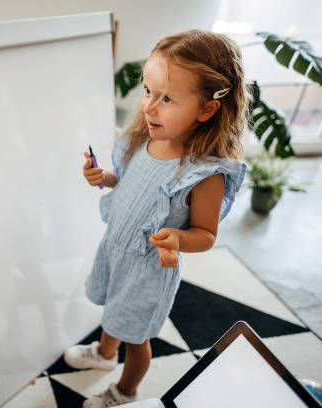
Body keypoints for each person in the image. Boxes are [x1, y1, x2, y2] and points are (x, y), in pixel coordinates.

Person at [64, 30, 248, 408]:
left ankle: (124, 391)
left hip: (149, 270)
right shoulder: (142, 138)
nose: (148, 107)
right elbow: (127, 178)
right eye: (148, 91)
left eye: (166, 99)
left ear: (206, 109)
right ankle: (103, 353)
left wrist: (179, 240)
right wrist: (105, 178)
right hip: (117, 249)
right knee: (115, 311)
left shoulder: (204, 173)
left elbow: (206, 233)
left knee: (137, 337)